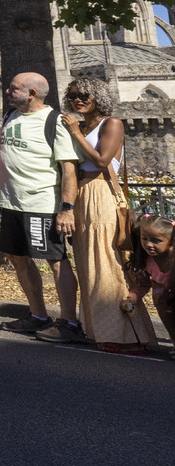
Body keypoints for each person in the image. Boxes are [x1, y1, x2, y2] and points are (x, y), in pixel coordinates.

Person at [60, 76, 154, 352]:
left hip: (101, 193)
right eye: (73, 95)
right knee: (88, 264)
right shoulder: (82, 125)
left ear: (98, 97)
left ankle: (128, 336)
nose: (78, 100)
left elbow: (102, 160)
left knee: (107, 264)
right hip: (80, 196)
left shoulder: (111, 123)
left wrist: (75, 133)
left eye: (84, 95)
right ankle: (101, 331)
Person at [0, 72, 82, 340]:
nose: (8, 91)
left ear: (32, 93)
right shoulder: (10, 115)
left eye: (14, 88)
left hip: (40, 202)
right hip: (11, 203)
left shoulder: (54, 121)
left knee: (55, 260)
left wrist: (67, 208)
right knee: (17, 258)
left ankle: (69, 323)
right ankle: (38, 315)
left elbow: (69, 169)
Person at [134, 216, 175, 343]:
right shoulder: (147, 260)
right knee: (160, 298)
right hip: (164, 292)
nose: (148, 244)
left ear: (171, 242)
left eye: (156, 241)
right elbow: (144, 283)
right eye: (144, 238)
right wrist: (133, 296)